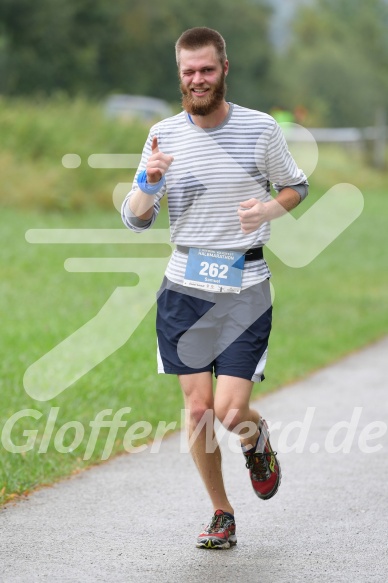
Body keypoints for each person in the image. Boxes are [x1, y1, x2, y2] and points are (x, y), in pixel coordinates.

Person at [121, 27, 308, 550]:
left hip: (245, 285)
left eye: (206, 69)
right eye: (188, 72)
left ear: (225, 68)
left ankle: (256, 439)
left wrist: (269, 208)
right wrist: (148, 184)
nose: (197, 80)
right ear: (179, 75)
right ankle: (221, 513)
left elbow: (297, 185)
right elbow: (135, 220)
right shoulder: (162, 134)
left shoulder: (261, 128)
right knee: (199, 411)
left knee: (230, 410)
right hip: (184, 288)